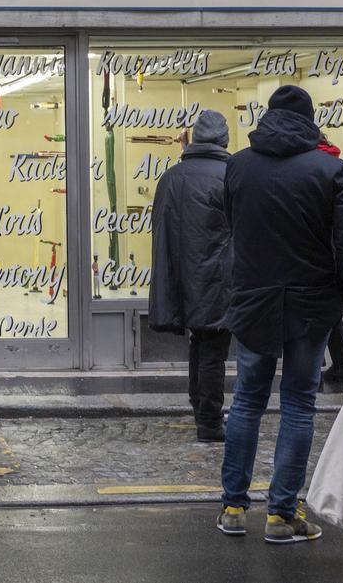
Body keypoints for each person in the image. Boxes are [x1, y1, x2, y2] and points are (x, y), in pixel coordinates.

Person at [215, 85, 343, 544]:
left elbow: (232, 228)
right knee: (299, 403)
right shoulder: (331, 168)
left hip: (254, 299)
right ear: (310, 120)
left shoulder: (237, 165)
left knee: (247, 402)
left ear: (268, 116)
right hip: (311, 303)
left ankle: (233, 506)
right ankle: (281, 514)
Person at [147, 110, 233, 442]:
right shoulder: (228, 176)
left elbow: (160, 231)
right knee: (213, 349)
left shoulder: (171, 177)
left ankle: (200, 405)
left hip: (182, 277)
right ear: (224, 140)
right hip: (216, 279)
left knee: (199, 344)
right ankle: (210, 421)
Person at [316, 133, 343, 387]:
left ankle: (317, 366)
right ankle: (341, 364)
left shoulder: (309, 164)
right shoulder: (336, 165)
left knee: (316, 318)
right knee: (333, 314)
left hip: (315, 248)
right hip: (334, 252)